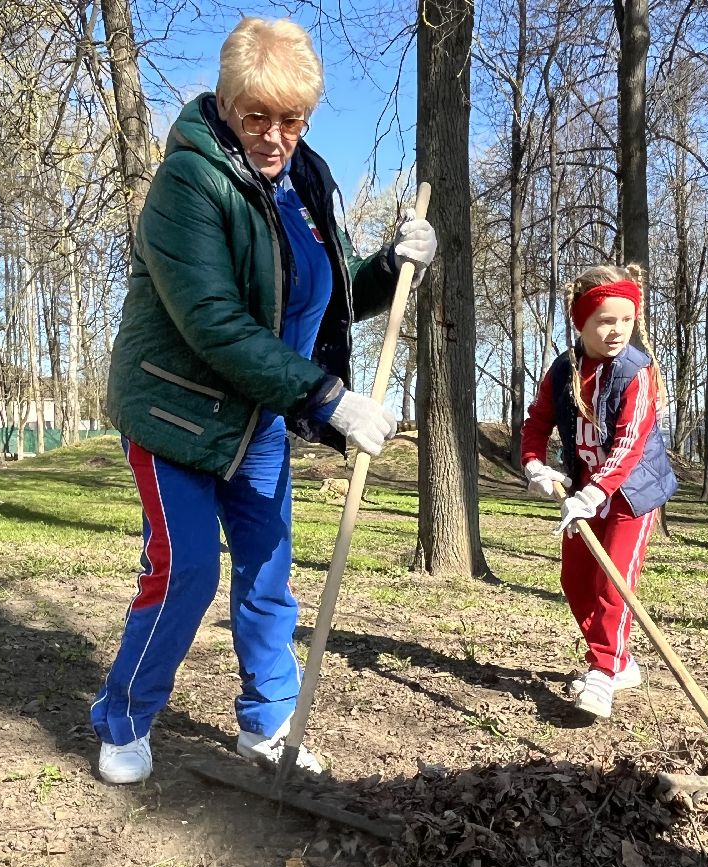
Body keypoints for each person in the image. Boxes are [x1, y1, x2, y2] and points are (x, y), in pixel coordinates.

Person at [91, 17, 437, 784]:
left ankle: (268, 723)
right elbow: (215, 324)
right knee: (185, 571)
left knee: (268, 574)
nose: (275, 136)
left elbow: (336, 284)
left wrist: (392, 261)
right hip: (176, 415)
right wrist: (327, 398)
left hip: (259, 420)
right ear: (225, 103)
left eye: (292, 119)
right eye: (257, 117)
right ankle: (124, 718)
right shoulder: (189, 183)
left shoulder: (303, 184)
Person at [519, 265, 678, 720]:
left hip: (630, 495)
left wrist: (593, 495)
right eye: (605, 320)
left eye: (625, 320)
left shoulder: (637, 371)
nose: (616, 331)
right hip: (586, 491)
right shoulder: (564, 369)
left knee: (614, 584)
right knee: (575, 580)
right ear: (582, 321)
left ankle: (604, 671)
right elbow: (536, 422)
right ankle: (620, 660)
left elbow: (629, 444)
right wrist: (534, 464)